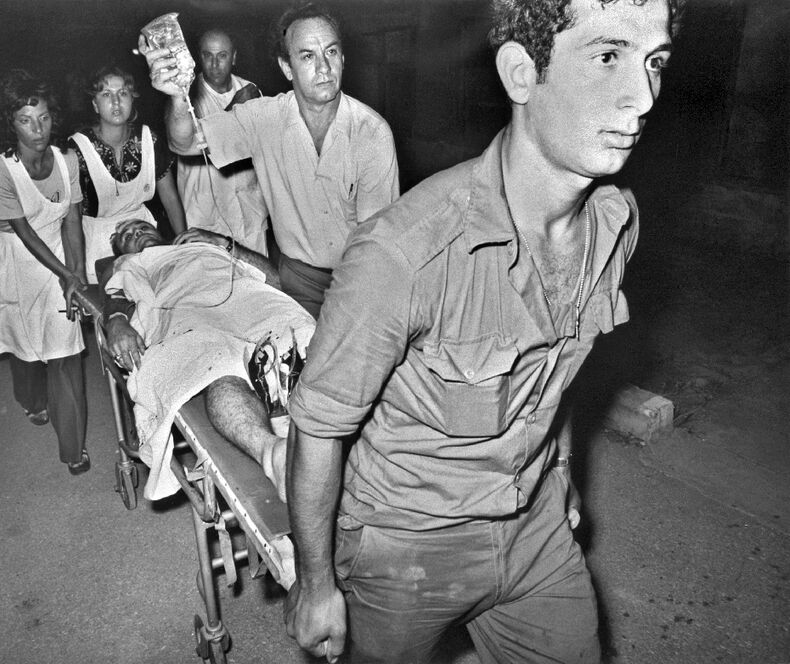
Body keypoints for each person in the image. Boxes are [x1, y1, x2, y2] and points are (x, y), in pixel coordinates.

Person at [284, 0, 684, 662]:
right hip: (406, 545)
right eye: (608, 56)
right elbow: (318, 425)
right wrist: (316, 583)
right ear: (522, 73)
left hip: (537, 533)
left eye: (655, 62)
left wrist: (560, 471)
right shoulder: (404, 253)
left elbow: (557, 369)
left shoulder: (616, 225)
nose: (642, 98)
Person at [139, 2, 399, 318]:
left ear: (343, 58)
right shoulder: (265, 118)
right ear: (287, 67)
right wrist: (178, 95)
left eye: (331, 52)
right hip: (295, 277)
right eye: (307, 56)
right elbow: (184, 141)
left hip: (356, 276)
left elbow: (376, 247)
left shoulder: (371, 133)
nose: (324, 67)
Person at [101, 220, 314, 500]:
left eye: (142, 227)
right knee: (219, 368)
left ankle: (318, 433)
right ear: (121, 251)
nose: (137, 232)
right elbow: (114, 295)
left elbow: (273, 280)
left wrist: (223, 243)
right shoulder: (131, 263)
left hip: (250, 301)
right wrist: (116, 321)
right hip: (187, 314)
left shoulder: (202, 244)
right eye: (127, 235)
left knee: (304, 337)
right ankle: (271, 452)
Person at [0, 69, 90, 475]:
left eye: (43, 118)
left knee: (66, 353)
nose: (37, 129)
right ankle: (31, 399)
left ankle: (73, 449)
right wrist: (66, 273)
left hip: (60, 256)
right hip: (17, 261)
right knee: (26, 351)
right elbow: (25, 233)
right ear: (11, 124)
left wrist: (75, 275)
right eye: (25, 120)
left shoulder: (67, 161)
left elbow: (73, 220)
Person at [68, 64, 186, 284]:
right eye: (106, 94)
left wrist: (185, 245)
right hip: (96, 245)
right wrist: (78, 271)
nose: (115, 102)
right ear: (95, 104)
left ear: (132, 99)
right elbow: (71, 217)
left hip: (145, 238)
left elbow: (170, 198)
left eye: (122, 93)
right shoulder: (77, 148)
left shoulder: (150, 139)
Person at [177, 28, 269, 256]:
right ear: (199, 57)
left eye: (222, 55)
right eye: (208, 55)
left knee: (257, 282)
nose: (215, 63)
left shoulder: (251, 90)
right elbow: (199, 144)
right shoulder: (185, 97)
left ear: (234, 57)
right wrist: (236, 107)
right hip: (206, 213)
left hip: (249, 212)